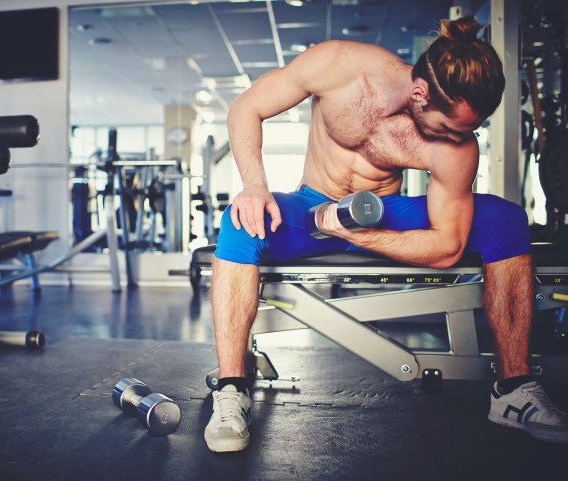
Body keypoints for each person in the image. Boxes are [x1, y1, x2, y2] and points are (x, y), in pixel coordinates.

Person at [203, 15, 568, 452]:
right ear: (420, 94)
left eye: (469, 130)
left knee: (504, 219)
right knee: (240, 221)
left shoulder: (459, 145)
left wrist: (358, 234)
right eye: (452, 127)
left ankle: (512, 388)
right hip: (310, 207)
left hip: (382, 212)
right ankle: (231, 387)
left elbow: (447, 247)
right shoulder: (340, 65)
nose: (461, 139)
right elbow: (247, 107)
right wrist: (256, 186)